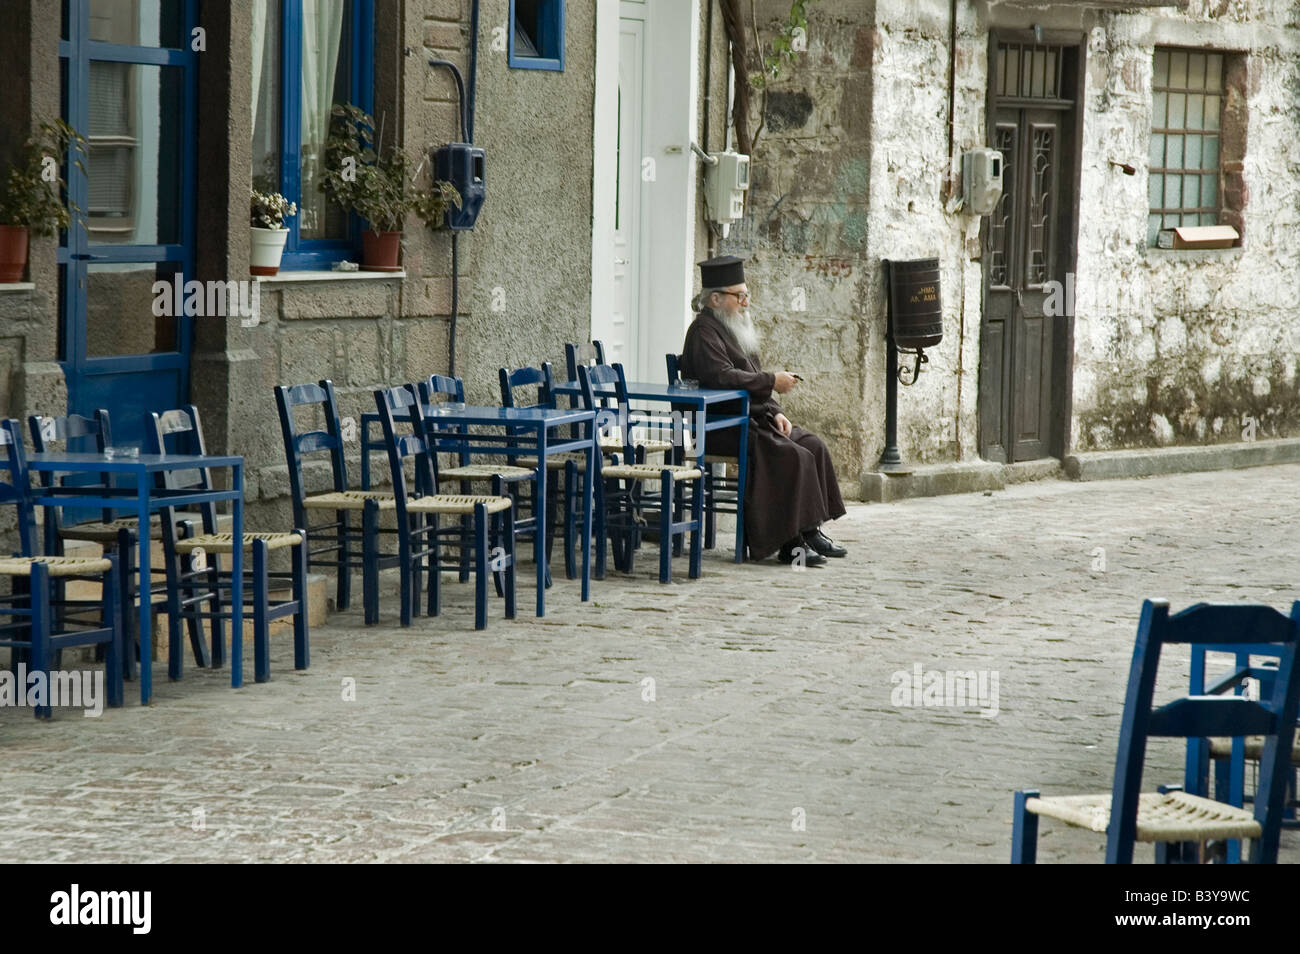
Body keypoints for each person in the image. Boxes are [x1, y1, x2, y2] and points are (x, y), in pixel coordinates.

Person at [680, 255, 847, 566]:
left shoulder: (736, 328)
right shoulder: (704, 331)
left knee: (813, 445)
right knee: (792, 455)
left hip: (751, 419)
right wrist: (772, 381)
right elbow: (723, 378)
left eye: (747, 295)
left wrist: (776, 410)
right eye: (739, 295)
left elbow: (751, 378)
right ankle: (790, 545)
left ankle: (810, 530)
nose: (746, 302)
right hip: (719, 426)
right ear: (715, 299)